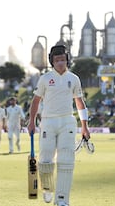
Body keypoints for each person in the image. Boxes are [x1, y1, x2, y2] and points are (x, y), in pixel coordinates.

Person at [27, 44, 91, 206]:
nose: (60, 63)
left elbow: (79, 102)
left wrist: (85, 126)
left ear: (67, 60)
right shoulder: (45, 79)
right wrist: (31, 121)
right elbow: (36, 101)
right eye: (57, 60)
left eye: (63, 59)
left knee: (66, 161)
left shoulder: (74, 79)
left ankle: (62, 200)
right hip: (48, 121)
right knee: (46, 159)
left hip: (67, 121)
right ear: (52, 62)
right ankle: (47, 188)